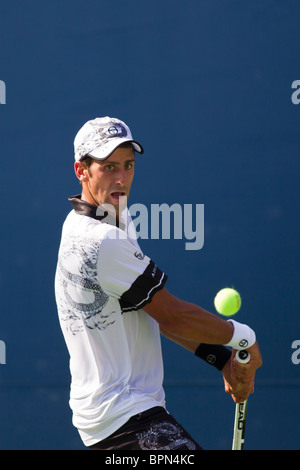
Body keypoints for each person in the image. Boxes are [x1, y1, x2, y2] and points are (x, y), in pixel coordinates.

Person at [54, 116, 262, 450]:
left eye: (128, 165)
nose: (121, 178)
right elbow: (172, 316)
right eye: (108, 167)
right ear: (82, 171)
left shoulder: (107, 218)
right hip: (125, 421)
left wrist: (221, 358)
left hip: (119, 420)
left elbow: (150, 312)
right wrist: (243, 339)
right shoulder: (103, 240)